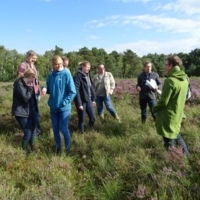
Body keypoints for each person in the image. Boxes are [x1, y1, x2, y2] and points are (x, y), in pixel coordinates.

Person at [152, 55, 190, 155]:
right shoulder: (184, 79)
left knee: (169, 141)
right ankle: (188, 156)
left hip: (168, 116)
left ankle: (173, 161)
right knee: (176, 133)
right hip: (178, 113)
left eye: (166, 64)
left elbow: (164, 101)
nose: (165, 67)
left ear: (171, 66)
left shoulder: (170, 80)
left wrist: (154, 109)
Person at [46, 55, 76, 155]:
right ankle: (58, 147)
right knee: (55, 129)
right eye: (56, 64)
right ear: (52, 65)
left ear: (62, 63)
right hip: (53, 107)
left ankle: (68, 148)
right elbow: (48, 88)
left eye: (59, 64)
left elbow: (72, 92)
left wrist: (64, 102)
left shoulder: (66, 74)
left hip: (64, 108)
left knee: (63, 128)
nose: (58, 66)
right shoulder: (50, 75)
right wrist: (44, 88)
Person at [12, 68, 39, 150]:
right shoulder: (19, 84)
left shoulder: (28, 83)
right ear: (27, 76)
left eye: (34, 78)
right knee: (28, 132)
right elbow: (25, 98)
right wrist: (30, 88)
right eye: (31, 78)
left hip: (29, 111)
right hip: (20, 112)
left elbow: (36, 93)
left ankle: (32, 149)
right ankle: (22, 151)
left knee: (33, 131)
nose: (32, 80)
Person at [16, 50, 42, 135]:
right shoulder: (23, 65)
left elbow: (36, 80)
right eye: (33, 58)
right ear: (28, 56)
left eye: (35, 58)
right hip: (28, 92)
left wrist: (39, 90)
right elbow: (20, 77)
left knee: (35, 112)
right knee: (31, 113)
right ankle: (32, 131)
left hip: (35, 92)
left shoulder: (34, 66)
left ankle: (36, 130)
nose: (34, 60)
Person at [73, 61, 96, 133]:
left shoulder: (88, 75)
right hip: (82, 101)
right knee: (82, 119)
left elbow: (91, 87)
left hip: (89, 100)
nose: (88, 69)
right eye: (87, 67)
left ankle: (89, 130)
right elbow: (76, 90)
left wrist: (93, 99)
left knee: (93, 118)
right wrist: (79, 103)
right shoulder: (77, 76)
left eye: (89, 68)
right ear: (82, 66)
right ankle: (81, 134)